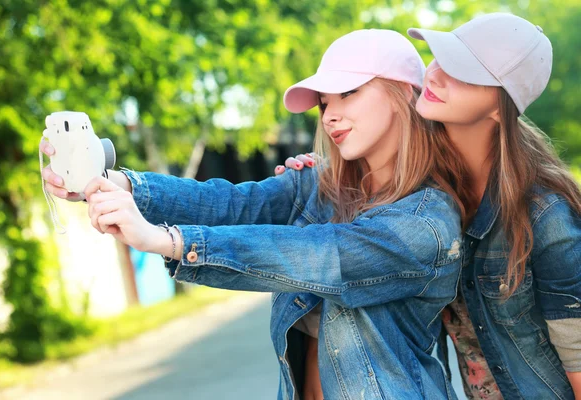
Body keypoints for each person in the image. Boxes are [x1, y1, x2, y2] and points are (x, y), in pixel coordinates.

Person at [42, 30, 465, 399]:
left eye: (348, 93)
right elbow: (228, 202)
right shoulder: (317, 188)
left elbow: (320, 254)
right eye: (323, 102)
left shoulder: (426, 223)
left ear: (403, 93)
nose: (331, 115)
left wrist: (164, 241)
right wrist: (108, 180)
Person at [278, 13, 581, 400]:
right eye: (439, 57)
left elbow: (577, 358)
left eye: (462, 70)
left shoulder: (545, 215)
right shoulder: (420, 195)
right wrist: (312, 177)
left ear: (498, 104)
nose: (434, 75)